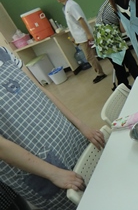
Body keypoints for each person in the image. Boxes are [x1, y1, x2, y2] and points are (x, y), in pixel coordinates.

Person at [0, 46, 105, 209]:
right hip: (42, 167)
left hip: (66, 136)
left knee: (102, 187)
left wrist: (80, 125)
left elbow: (40, 90)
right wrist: (53, 173)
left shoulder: (3, 52)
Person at [53, 0, 107, 84]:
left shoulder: (71, 5)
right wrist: (74, 37)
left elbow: (81, 20)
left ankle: (100, 73)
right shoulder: (66, 7)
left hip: (84, 36)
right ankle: (100, 72)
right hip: (80, 36)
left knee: (89, 56)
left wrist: (88, 34)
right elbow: (74, 24)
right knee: (92, 55)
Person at [94, 0, 138, 90]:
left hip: (100, 37)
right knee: (130, 63)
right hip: (108, 37)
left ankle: (123, 88)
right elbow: (123, 29)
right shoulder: (121, 3)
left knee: (118, 66)